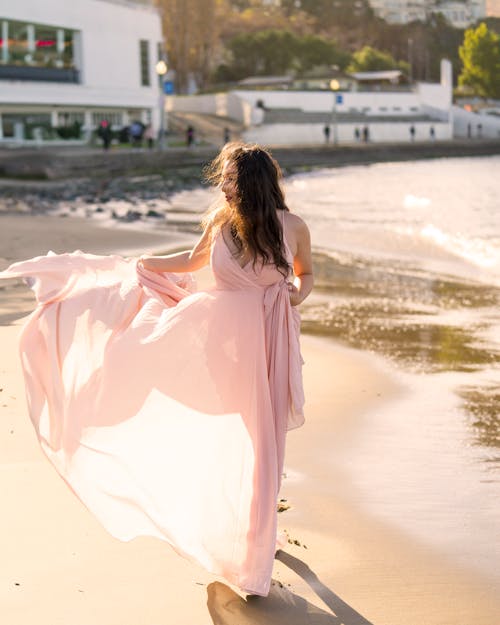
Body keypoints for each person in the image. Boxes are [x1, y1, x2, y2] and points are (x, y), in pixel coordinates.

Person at [0, 142, 313, 598]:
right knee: (247, 436)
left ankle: (258, 535)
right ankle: (250, 541)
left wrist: (294, 295)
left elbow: (306, 274)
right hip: (223, 342)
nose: (221, 183)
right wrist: (140, 265)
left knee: (266, 438)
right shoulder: (221, 224)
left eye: (228, 176)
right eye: (222, 176)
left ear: (249, 182)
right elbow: (190, 262)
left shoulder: (294, 227)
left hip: (270, 335)